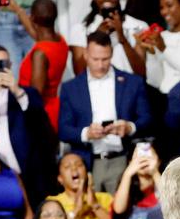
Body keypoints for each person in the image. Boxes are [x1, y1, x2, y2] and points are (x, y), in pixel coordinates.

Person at [58, 31, 154, 194]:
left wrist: (129, 127)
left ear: (112, 54)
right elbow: (63, 130)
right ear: (85, 55)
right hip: (88, 163)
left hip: (123, 159)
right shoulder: (71, 88)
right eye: (96, 59)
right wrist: (86, 133)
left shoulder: (132, 82)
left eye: (106, 59)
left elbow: (148, 119)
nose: (101, 65)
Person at [0, 44, 55, 206]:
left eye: (3, 64)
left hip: (29, 176)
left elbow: (42, 127)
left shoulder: (27, 94)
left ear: (10, 66)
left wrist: (17, 91)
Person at [68, 0, 149, 77]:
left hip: (129, 89)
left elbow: (140, 72)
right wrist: (97, 36)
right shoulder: (80, 30)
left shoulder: (138, 26)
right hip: (95, 89)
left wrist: (121, 36)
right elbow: (79, 71)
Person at [15, 0, 68, 132]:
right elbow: (37, 34)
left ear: (32, 18)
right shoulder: (60, 41)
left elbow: (35, 95)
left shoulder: (40, 54)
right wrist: (17, 9)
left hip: (39, 118)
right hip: (53, 110)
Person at [47, 153, 113, 219]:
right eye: (67, 167)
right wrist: (76, 210)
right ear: (60, 179)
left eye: (79, 165)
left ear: (87, 173)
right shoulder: (53, 202)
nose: (74, 169)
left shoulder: (105, 198)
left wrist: (95, 205)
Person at [112, 144, 162, 219]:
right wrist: (128, 174)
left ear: (158, 160)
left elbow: (171, 203)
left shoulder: (163, 184)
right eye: (139, 156)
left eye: (148, 155)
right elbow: (119, 208)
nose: (144, 160)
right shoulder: (127, 189)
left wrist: (155, 172)